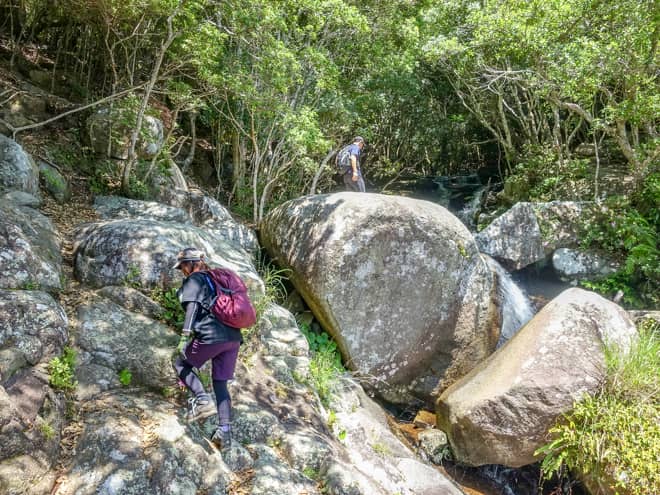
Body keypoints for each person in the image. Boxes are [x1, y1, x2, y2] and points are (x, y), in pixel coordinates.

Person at [172, 247, 242, 450]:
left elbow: (192, 307)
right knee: (220, 383)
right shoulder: (216, 280)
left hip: (212, 336)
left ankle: (202, 400)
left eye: (183, 266)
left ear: (192, 264)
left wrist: (184, 337)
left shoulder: (195, 279)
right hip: (233, 338)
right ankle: (225, 432)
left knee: (179, 362)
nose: (182, 271)